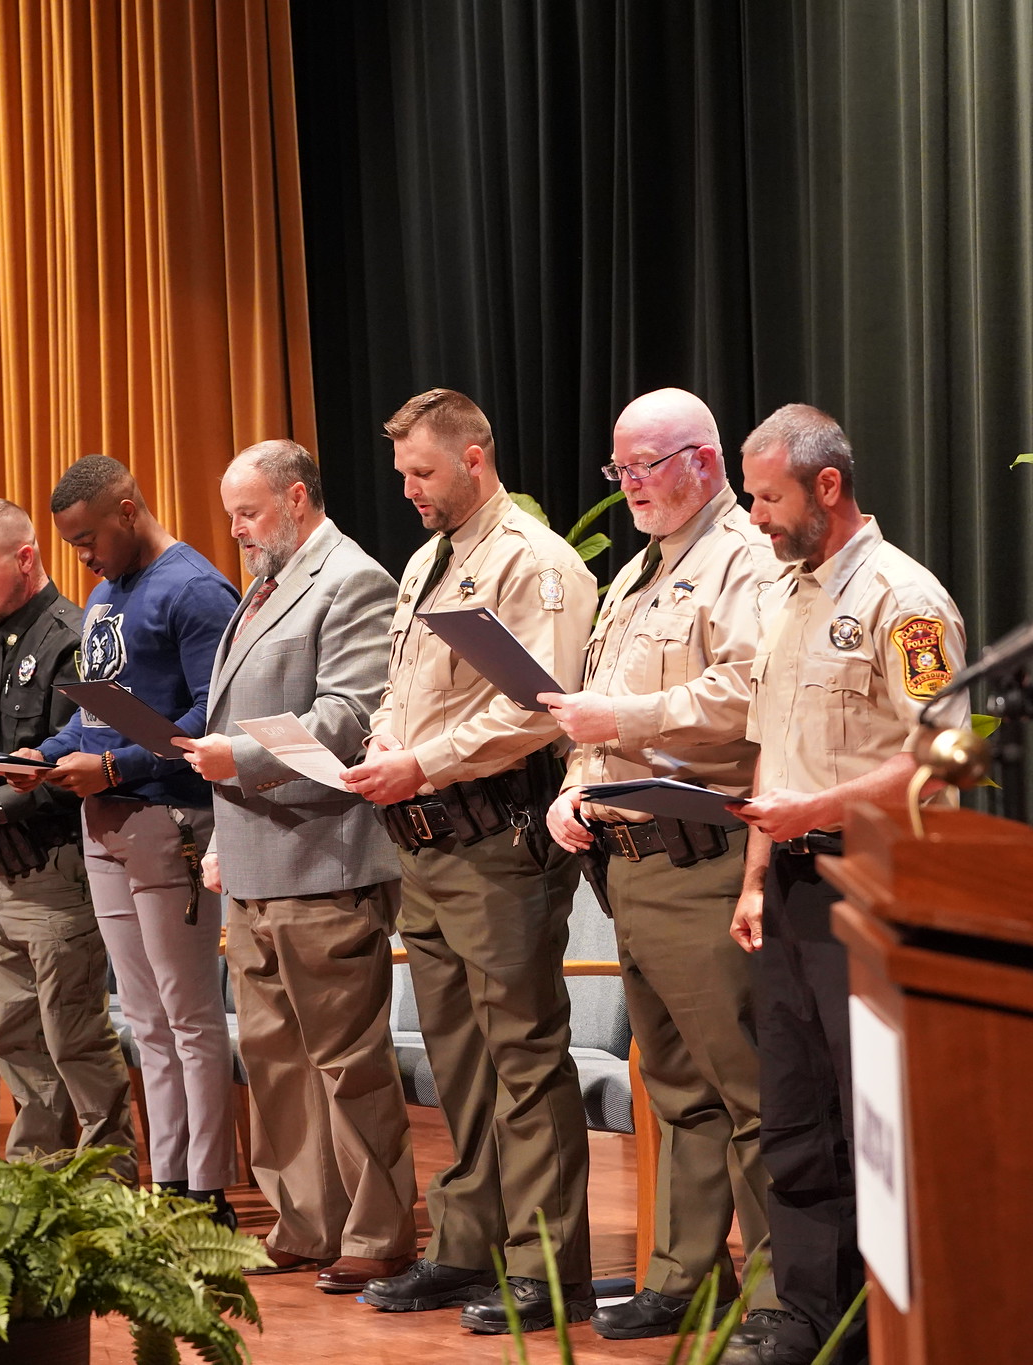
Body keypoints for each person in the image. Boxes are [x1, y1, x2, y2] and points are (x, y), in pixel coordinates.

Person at [344, 389, 597, 1333]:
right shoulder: (424, 560)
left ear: (475, 457)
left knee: (524, 1055)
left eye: (423, 471)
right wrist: (382, 748)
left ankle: (545, 1265)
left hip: (496, 839)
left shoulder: (536, 565)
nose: (409, 488)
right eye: (402, 472)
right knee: (460, 1059)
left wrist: (424, 761)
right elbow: (404, 693)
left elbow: (541, 706)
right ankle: (467, 1245)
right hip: (423, 841)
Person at [538, 388, 781, 1340]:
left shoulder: (746, 561)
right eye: (620, 470)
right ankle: (686, 1275)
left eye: (645, 467)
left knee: (747, 1087)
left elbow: (748, 691)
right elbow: (596, 706)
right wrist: (575, 784)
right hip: (629, 863)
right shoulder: (642, 569)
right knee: (673, 1086)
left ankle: (774, 1294)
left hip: (708, 857)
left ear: (705, 462)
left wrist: (622, 725)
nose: (630, 486)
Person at [727, 404, 967, 1365]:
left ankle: (890, 1320)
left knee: (873, 1119)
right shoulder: (788, 595)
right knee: (794, 1113)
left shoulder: (904, 600)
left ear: (828, 486)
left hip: (872, 884)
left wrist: (815, 808)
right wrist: (753, 878)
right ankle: (805, 1314)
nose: (755, 516)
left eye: (769, 495)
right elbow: (769, 758)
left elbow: (947, 763)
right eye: (751, 495)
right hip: (787, 886)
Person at [175, 440, 418, 1293]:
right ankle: (305, 1218)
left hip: (326, 857)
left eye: (249, 513)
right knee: (275, 1058)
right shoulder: (263, 587)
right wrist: (217, 836)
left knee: (348, 1060)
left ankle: (380, 1228)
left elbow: (347, 716)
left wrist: (233, 757)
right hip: (251, 860)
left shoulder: (353, 580)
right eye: (233, 514)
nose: (237, 530)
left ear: (298, 498)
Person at [12, 455, 241, 1222]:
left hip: (167, 820)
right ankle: (166, 1181)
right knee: (143, 1018)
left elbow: (213, 716)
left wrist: (114, 764)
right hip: (104, 821)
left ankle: (207, 1189)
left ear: (129, 507)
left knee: (189, 1014)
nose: (83, 558)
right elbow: (97, 710)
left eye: (88, 540)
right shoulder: (106, 594)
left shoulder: (196, 588)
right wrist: (43, 755)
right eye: (72, 545)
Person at [0, 500, 135, 1176]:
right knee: (17, 1039)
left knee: (75, 1038)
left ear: (26, 557)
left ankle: (108, 1186)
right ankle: (36, 1189)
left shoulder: (72, 636)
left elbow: (74, 765)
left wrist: (3, 807)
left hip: (54, 867)